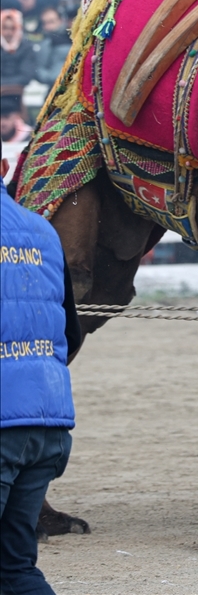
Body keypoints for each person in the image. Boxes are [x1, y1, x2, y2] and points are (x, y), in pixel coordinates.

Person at [0, 154, 80, 595]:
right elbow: (71, 332)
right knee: (17, 570)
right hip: (48, 421)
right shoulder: (42, 230)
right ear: (4, 165)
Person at [33, 7, 71, 90]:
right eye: (45, 23)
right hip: (54, 86)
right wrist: (52, 78)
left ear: (61, 20)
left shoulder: (72, 38)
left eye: (51, 22)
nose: (48, 26)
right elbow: (40, 69)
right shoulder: (44, 42)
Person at [0, 10, 37, 93]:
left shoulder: (26, 47)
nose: (8, 32)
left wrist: (4, 88)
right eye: (4, 28)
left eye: (12, 28)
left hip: (19, 94)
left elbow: (26, 76)